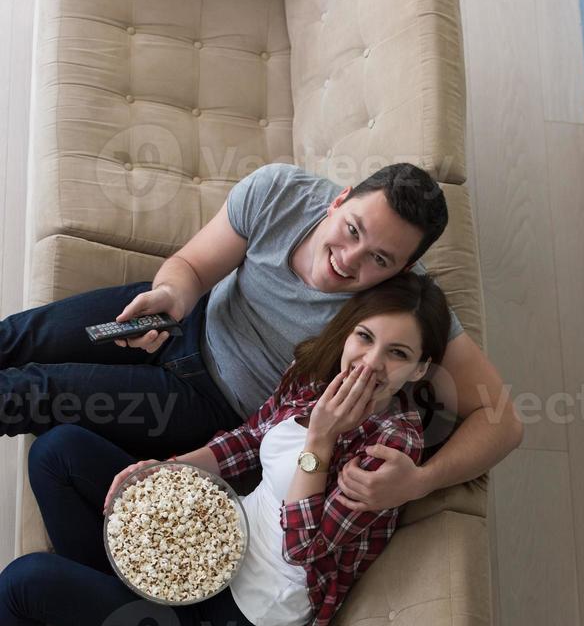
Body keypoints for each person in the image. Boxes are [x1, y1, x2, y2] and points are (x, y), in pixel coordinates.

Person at [0, 274, 450, 626]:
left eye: (397, 354)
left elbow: (304, 549)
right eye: (365, 337)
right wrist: (165, 468)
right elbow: (249, 441)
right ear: (348, 328)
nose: (370, 364)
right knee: (57, 452)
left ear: (419, 369)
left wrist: (322, 438)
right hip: (206, 548)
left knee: (24, 581)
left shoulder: (393, 448)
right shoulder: (314, 376)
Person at [0, 162, 522, 512]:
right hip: (187, 320)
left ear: (406, 268)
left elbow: (503, 420)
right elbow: (192, 266)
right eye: (353, 230)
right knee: (16, 337)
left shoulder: (403, 303)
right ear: (337, 201)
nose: (350, 259)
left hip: (213, 404)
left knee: (31, 391)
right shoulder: (280, 192)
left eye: (380, 260)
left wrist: (422, 481)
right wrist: (172, 296)